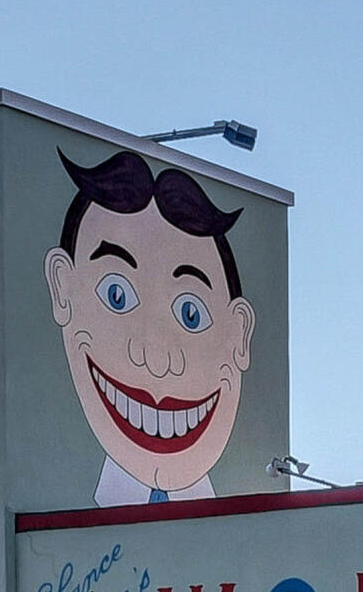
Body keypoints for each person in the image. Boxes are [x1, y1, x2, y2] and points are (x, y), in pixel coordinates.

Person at [44, 149, 258, 507]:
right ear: (63, 289)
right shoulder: (55, 521)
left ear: (239, 333)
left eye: (191, 313)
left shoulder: (253, 542)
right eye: (117, 295)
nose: (157, 358)